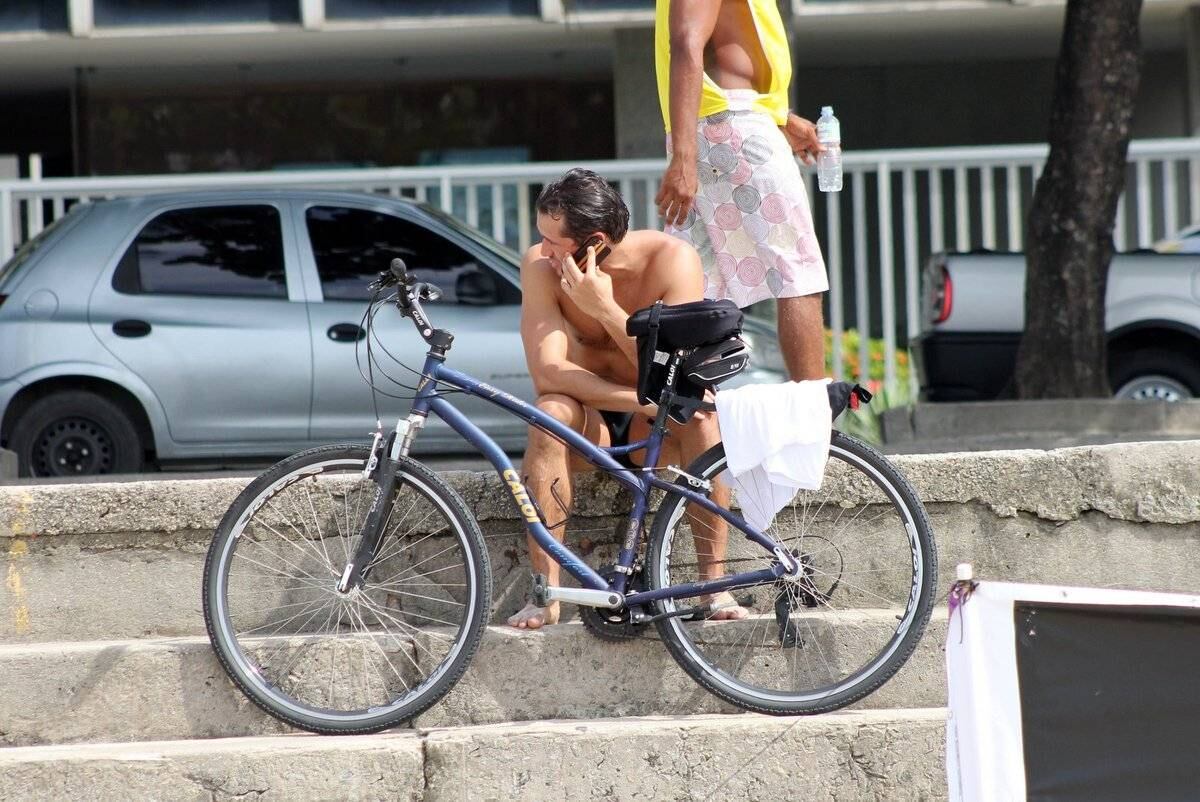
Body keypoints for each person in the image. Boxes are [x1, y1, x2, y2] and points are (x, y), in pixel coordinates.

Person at [509, 168, 746, 629]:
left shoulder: (670, 262)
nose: (544, 250)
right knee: (547, 413)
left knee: (699, 418)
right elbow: (549, 373)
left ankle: (714, 586)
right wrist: (638, 401)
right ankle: (546, 594)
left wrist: (605, 310)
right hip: (594, 416)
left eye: (554, 241)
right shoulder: (540, 267)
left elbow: (675, 378)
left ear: (594, 241)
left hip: (657, 427)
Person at [654, 0, 829, 381]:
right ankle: (814, 411)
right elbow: (687, 43)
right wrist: (684, 157)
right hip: (726, 128)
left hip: (719, 127)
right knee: (797, 272)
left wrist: (780, 118)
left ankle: (688, 421)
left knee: (694, 287)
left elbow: (733, 57)